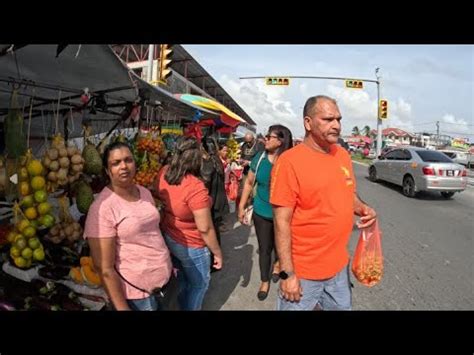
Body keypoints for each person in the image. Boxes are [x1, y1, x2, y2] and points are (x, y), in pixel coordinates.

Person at [270, 95, 377, 310]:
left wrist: (363, 208)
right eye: (328, 119)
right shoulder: (290, 162)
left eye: (338, 119)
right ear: (308, 123)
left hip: (338, 269)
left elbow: (349, 194)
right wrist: (287, 274)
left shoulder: (342, 155)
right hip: (303, 274)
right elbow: (281, 222)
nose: (336, 125)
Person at [84, 142, 172, 311]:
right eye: (115, 163)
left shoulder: (144, 192)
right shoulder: (102, 208)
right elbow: (105, 268)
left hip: (165, 282)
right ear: (106, 170)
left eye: (128, 160)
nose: (123, 166)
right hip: (139, 295)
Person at [157, 136, 223, 310]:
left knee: (184, 279)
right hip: (192, 244)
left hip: (169, 236)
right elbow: (205, 228)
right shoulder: (195, 187)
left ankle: (183, 304)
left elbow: (155, 192)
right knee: (200, 284)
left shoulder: (164, 172)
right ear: (197, 159)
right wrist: (217, 252)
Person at [238, 125, 293, 301]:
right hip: (261, 211)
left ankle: (278, 263)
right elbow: (248, 183)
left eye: (270, 137)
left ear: (281, 141)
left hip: (284, 214)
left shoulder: (290, 161)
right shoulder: (259, 158)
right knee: (264, 248)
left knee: (280, 244)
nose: (265, 139)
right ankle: (264, 280)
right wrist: (241, 205)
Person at [201, 135, 229, 271]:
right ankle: (215, 259)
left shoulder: (208, 163)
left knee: (211, 231)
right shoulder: (217, 160)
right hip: (219, 201)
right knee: (216, 230)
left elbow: (205, 183)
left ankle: (213, 261)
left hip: (212, 201)